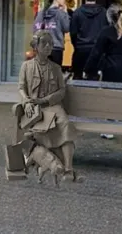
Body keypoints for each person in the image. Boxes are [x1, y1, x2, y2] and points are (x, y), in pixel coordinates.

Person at [19, 30, 79, 182]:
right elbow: (21, 87)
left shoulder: (56, 68)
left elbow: (61, 90)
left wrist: (46, 100)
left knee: (65, 124)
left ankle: (69, 169)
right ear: (36, 46)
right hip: (34, 107)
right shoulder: (26, 66)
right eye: (44, 43)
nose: (48, 46)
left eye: (50, 44)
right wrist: (26, 101)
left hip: (52, 105)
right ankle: (50, 162)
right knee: (37, 130)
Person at [84, 2, 122, 140]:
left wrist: (88, 69)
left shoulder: (106, 32)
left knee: (109, 97)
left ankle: (109, 129)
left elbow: (96, 53)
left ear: (109, 17)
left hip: (110, 67)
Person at [70, 0, 108, 80]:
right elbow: (106, 31)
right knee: (94, 78)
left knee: (78, 77)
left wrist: (77, 45)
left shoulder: (77, 13)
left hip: (81, 49)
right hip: (97, 49)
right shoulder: (103, 12)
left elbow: (73, 32)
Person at [33, 0, 70, 66]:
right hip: (56, 47)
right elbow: (67, 28)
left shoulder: (42, 13)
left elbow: (35, 29)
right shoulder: (60, 13)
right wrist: (66, 12)